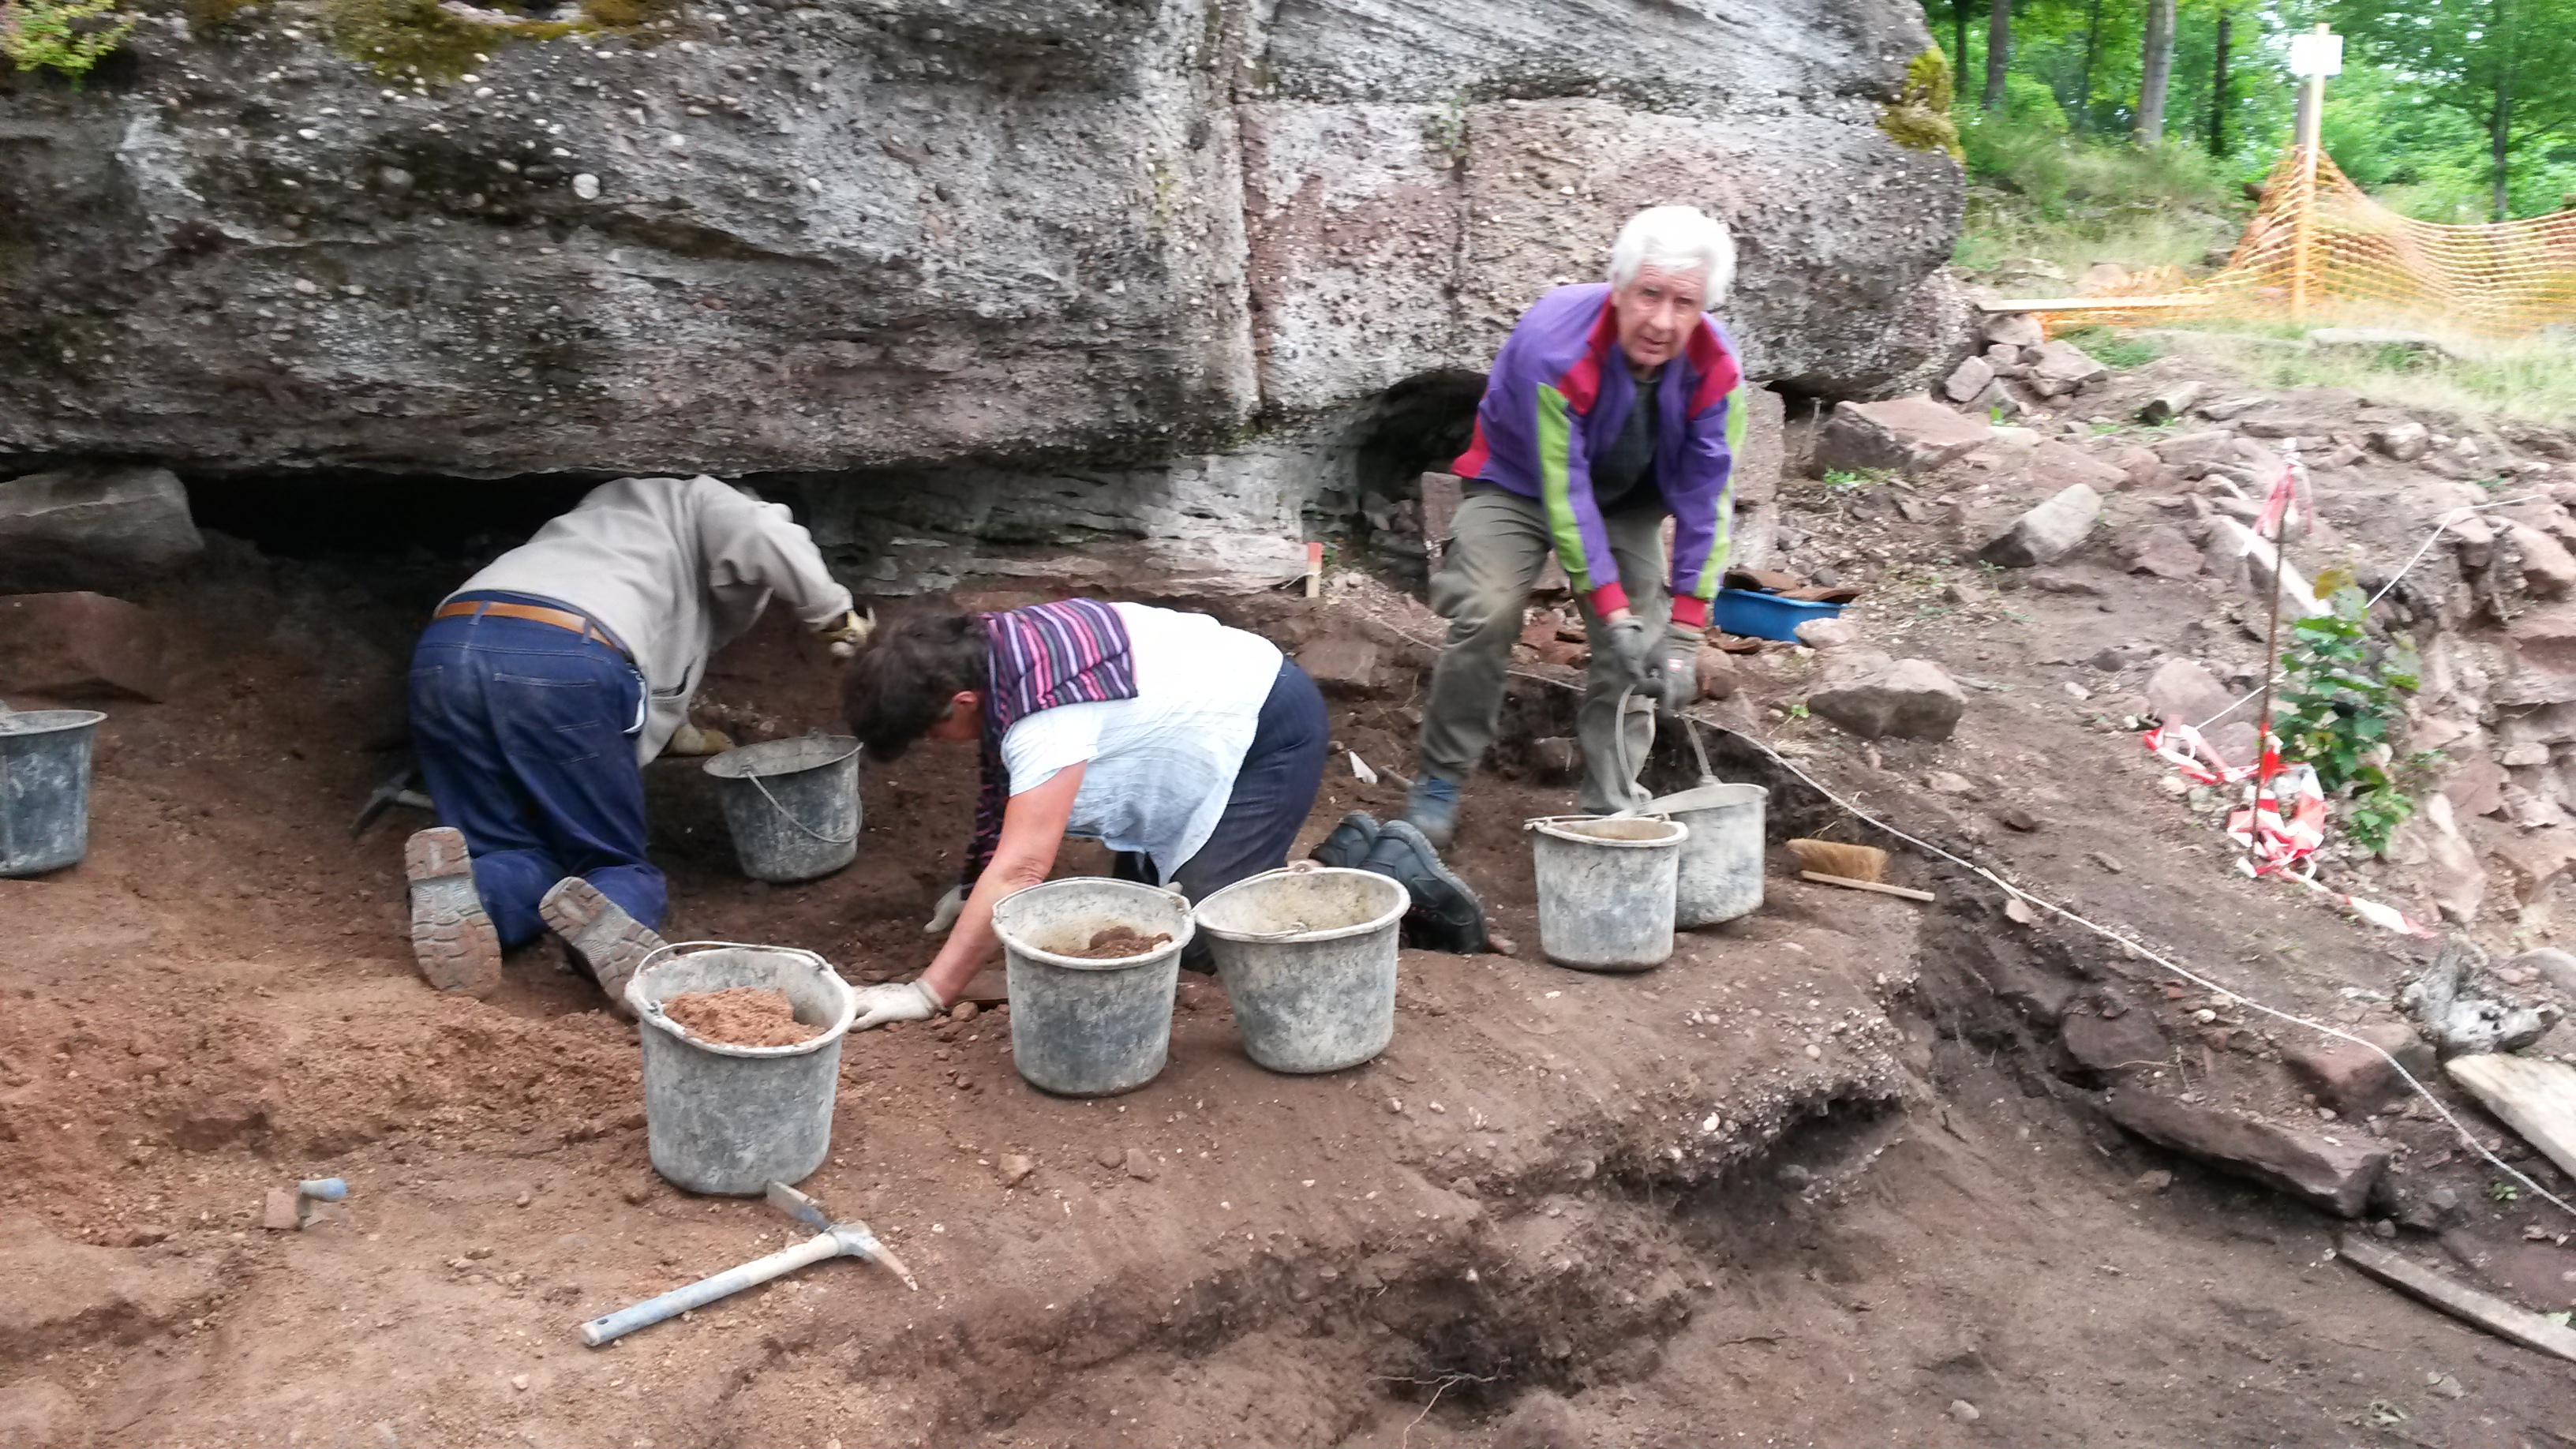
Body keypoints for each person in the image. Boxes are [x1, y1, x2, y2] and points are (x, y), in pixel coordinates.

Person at [402, 474, 869, 1009]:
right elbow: (764, 532)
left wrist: (675, 732)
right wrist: (838, 620)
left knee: (505, 846)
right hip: (563, 655)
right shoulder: (707, 497)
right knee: (613, 863)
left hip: (447, 648)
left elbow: (663, 666)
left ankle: (473, 895)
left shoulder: (612, 512)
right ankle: (604, 929)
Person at [1395, 204, 1745, 848]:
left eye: (1685, 303)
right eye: (1649, 294)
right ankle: (1440, 780)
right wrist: (1608, 610)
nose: (1663, 321)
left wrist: (1686, 632)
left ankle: (1612, 810)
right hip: (1519, 481)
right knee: (1487, 608)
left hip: (1630, 499)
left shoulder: (1716, 367)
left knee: (1642, 641)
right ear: (1619, 286)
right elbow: (1565, 491)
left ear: (1704, 308)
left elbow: (1708, 499)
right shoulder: (1555, 345)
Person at [837, 597, 1348, 1030]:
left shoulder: (1045, 712)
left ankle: (1359, 858)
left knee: (1202, 942)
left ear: (964, 701)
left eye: (931, 731)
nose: (936, 742)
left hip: (1269, 729)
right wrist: (976, 889)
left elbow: (1021, 869)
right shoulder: (992, 649)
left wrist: (926, 994)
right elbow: (1010, 790)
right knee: (1139, 918)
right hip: (1201, 723)